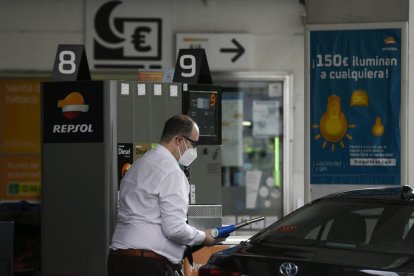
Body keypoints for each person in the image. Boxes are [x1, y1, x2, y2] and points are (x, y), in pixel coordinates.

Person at [107, 114, 221, 276]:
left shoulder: (138, 165)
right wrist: (204, 237)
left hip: (119, 259)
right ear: (179, 140)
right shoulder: (172, 172)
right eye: (193, 144)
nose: (194, 150)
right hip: (148, 264)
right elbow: (174, 229)